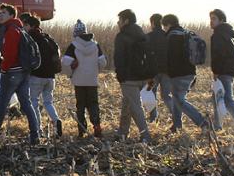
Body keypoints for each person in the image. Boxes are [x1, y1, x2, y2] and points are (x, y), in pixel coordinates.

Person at [0, 4, 41, 144]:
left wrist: (4, 69)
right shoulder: (19, 29)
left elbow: (9, 54)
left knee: (2, 103)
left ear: (12, 16)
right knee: (26, 103)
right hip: (23, 71)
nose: (0, 14)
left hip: (12, 72)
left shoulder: (11, 31)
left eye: (3, 12)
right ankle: (35, 134)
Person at [162, 14, 210, 132]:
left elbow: (171, 57)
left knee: (179, 100)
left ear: (168, 25)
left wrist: (167, 71)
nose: (164, 29)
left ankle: (202, 122)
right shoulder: (186, 33)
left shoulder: (172, 37)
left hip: (179, 74)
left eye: (164, 26)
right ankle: (177, 126)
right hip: (190, 72)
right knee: (177, 99)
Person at [61, 19, 106, 137]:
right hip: (92, 80)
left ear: (75, 33)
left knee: (80, 105)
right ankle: (97, 126)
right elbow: (103, 62)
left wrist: (71, 69)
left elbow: (65, 62)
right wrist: (95, 69)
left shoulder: (73, 46)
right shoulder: (95, 45)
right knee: (93, 104)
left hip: (78, 81)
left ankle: (81, 131)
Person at [21, 12, 63, 138]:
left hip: (36, 76)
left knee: (33, 102)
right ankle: (56, 120)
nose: (24, 27)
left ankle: (37, 128)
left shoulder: (30, 39)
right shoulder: (48, 38)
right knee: (48, 102)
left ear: (30, 26)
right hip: (50, 77)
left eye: (25, 25)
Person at [113, 9, 152, 143]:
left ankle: (145, 135)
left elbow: (118, 58)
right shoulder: (143, 35)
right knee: (127, 104)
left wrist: (120, 75)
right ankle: (123, 131)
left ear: (126, 21)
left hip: (129, 77)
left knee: (135, 107)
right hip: (142, 76)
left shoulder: (122, 36)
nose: (118, 23)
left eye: (120, 20)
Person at [209, 9, 234, 130]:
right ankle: (217, 125)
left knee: (227, 99)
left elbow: (218, 54)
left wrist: (216, 71)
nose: (211, 21)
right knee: (217, 98)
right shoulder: (230, 33)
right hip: (230, 69)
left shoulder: (218, 34)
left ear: (221, 20)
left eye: (214, 18)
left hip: (223, 70)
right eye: (210, 18)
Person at [145, 13, 174, 123]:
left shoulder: (148, 37)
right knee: (166, 96)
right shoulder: (167, 36)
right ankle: (175, 115)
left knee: (151, 94)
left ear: (152, 22)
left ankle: (153, 119)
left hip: (152, 72)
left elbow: (145, 55)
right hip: (166, 71)